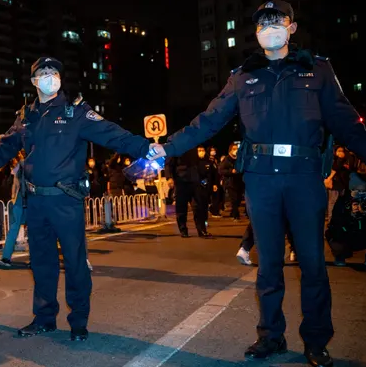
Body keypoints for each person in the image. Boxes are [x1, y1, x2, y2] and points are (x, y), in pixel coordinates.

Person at [146, 1, 366, 365]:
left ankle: (315, 340)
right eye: (263, 23)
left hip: (303, 177)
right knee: (269, 264)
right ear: (256, 32)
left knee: (312, 262)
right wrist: (166, 148)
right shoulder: (243, 76)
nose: (270, 27)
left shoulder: (318, 70)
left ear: (292, 28)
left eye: (277, 21)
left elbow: (346, 123)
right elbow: (208, 121)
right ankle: (271, 336)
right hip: (261, 179)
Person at [0, 57, 159, 341]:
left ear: (59, 78)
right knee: (41, 262)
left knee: (75, 262)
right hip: (37, 202)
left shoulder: (75, 112)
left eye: (52, 72)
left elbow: (112, 134)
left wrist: (145, 147)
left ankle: (78, 321)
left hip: (66, 200)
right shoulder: (26, 115)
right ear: (33, 81)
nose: (47, 76)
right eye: (42, 73)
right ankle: (44, 318)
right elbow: (4, 147)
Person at [164, 146, 214, 238]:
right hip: (181, 181)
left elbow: (200, 163)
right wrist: (169, 177)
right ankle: (183, 230)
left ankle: (202, 230)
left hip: (195, 181)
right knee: (181, 208)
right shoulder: (176, 146)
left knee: (198, 207)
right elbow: (168, 164)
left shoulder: (193, 145)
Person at [219, 143, 244, 221]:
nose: (235, 150)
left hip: (239, 182)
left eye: (236, 149)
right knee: (234, 200)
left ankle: (233, 213)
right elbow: (221, 170)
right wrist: (231, 171)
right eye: (234, 149)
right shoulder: (226, 159)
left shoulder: (239, 159)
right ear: (230, 150)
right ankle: (236, 216)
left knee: (239, 199)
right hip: (230, 183)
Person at [208, 146, 222, 218]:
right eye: (212, 150)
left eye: (214, 150)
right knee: (215, 197)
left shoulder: (215, 161)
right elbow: (210, 174)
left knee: (217, 197)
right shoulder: (208, 161)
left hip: (217, 182)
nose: (213, 152)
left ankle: (214, 209)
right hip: (212, 183)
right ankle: (214, 212)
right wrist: (213, 184)